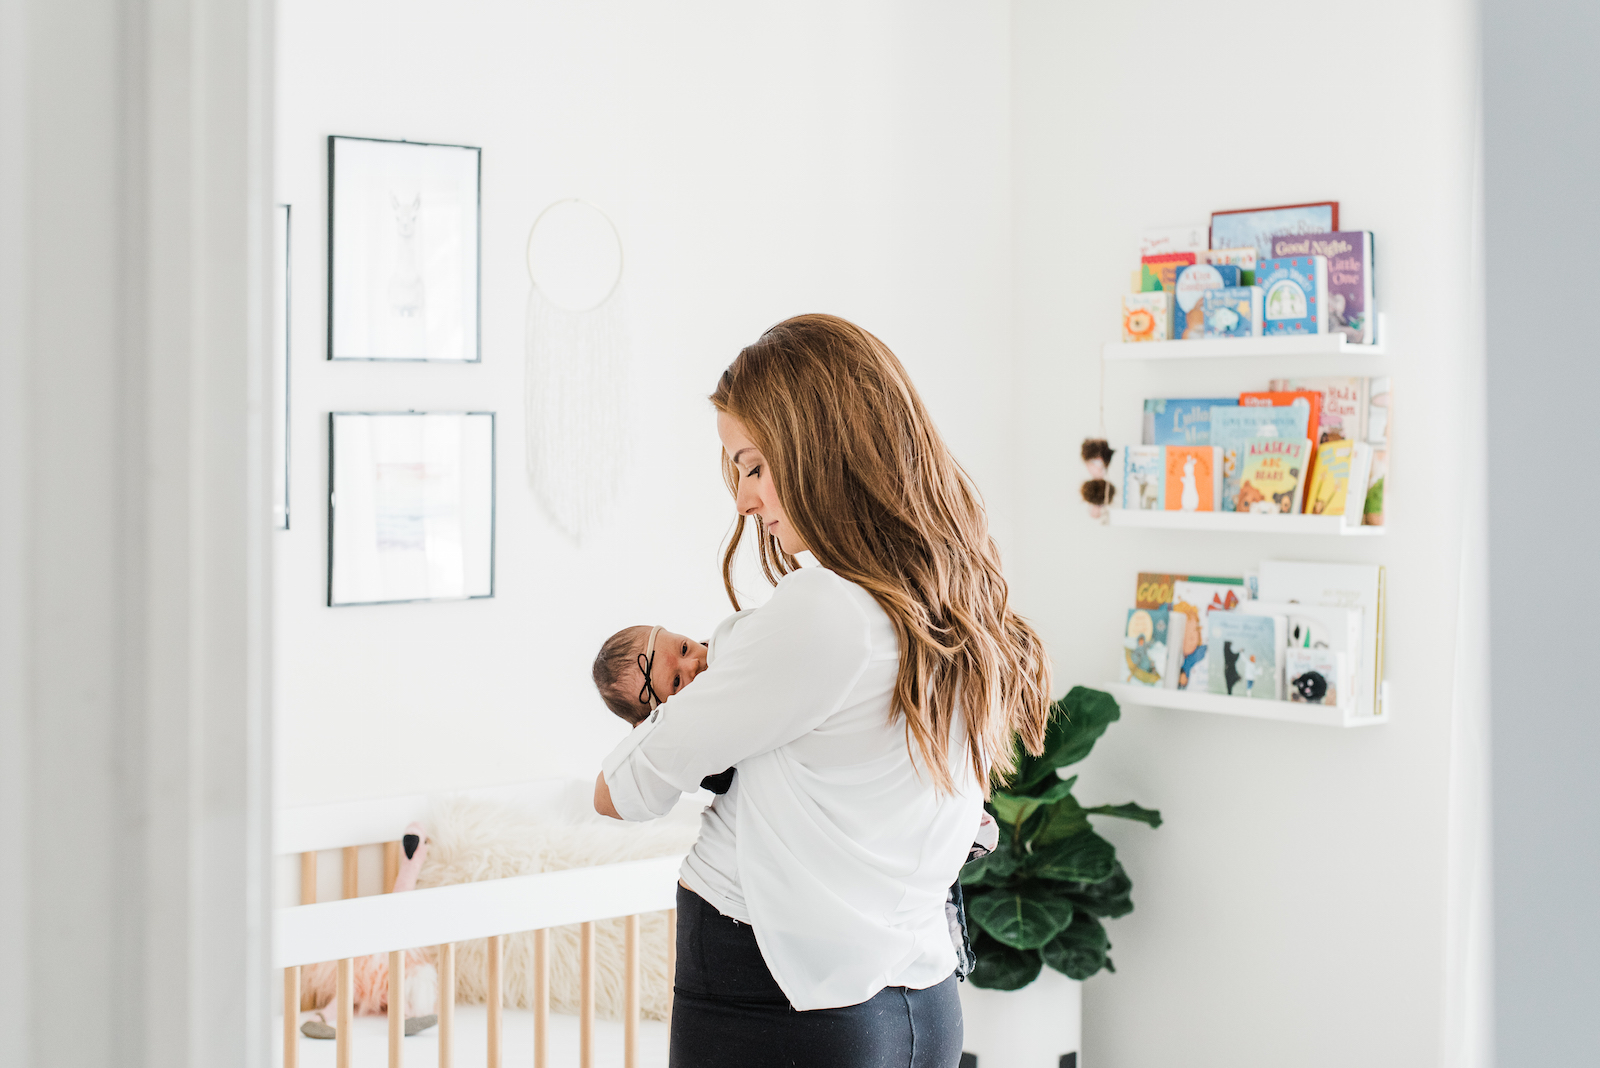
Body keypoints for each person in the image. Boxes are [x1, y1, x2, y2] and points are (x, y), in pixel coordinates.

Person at [594, 314, 1051, 1068]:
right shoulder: (946, 604)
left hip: (776, 997)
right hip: (920, 999)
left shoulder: (824, 611)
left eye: (752, 466)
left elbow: (624, 789)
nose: (744, 501)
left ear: (821, 450)